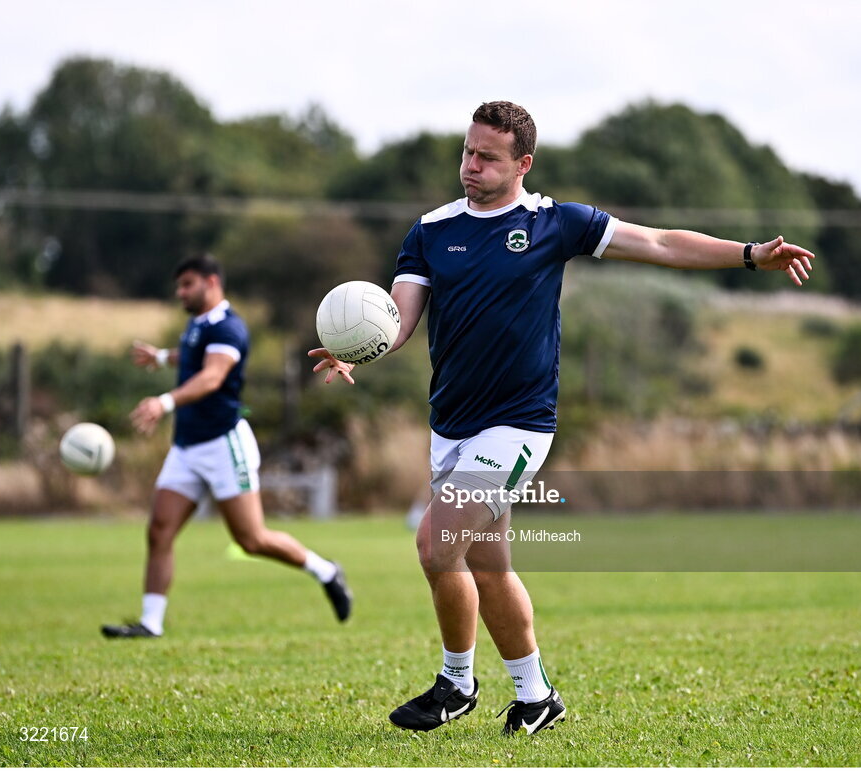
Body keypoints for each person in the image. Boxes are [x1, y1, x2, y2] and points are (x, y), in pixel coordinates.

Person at [309, 102, 815, 735]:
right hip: (451, 424)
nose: (471, 166)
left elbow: (657, 242)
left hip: (520, 423)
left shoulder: (556, 223)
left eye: (488, 157)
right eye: (467, 152)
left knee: (435, 542)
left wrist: (747, 254)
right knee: (486, 567)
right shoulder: (431, 230)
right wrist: (362, 349)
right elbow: (399, 319)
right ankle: (536, 695)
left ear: (523, 163)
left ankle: (455, 684)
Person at [102, 254, 352, 639]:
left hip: (223, 444)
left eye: (187, 284)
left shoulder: (230, 328)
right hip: (186, 447)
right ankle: (151, 623)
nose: (180, 292)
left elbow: (213, 376)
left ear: (212, 283)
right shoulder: (197, 326)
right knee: (159, 531)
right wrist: (162, 356)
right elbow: (192, 353)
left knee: (251, 539)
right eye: (179, 286)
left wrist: (163, 402)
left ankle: (326, 571)